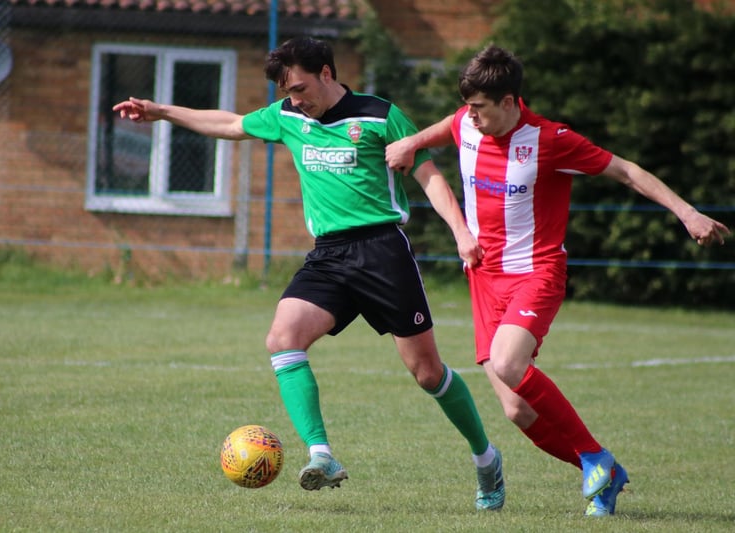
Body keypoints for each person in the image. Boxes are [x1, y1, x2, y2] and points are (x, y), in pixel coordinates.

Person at [113, 36, 506, 510]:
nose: (294, 99)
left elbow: (428, 175)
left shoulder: (379, 115)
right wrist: (162, 111)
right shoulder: (288, 116)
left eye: (300, 88)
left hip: (382, 250)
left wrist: (462, 234)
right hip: (329, 254)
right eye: (288, 91)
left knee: (426, 373)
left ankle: (486, 459)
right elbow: (232, 124)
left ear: (326, 73)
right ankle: (322, 455)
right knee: (282, 338)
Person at [385, 44, 731, 517]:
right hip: (484, 278)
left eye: (481, 108)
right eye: (468, 107)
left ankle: (595, 457)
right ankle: (605, 475)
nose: (472, 117)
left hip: (536, 272)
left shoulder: (551, 139)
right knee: (516, 410)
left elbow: (626, 172)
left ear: (510, 102)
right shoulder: (468, 122)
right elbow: (446, 127)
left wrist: (687, 213)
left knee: (508, 364)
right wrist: (411, 143)